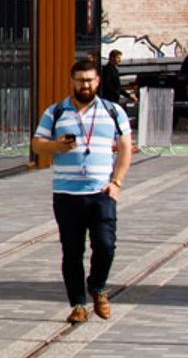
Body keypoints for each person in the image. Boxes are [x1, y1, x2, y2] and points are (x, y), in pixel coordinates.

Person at [29, 53, 134, 325]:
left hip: (101, 193)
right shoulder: (56, 112)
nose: (84, 86)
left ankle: (97, 286)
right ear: (71, 82)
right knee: (72, 252)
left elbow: (125, 148)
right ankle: (78, 304)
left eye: (89, 81)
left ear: (97, 81)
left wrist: (117, 182)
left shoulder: (113, 111)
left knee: (105, 245)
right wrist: (56, 146)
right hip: (67, 195)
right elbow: (37, 144)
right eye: (80, 81)